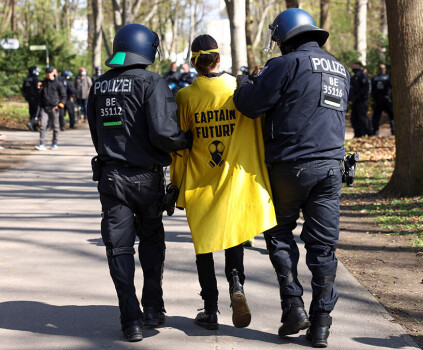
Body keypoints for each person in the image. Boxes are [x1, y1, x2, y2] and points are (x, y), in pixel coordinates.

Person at [233, 8, 349, 348]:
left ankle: (294, 305)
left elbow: (252, 106)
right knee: (323, 246)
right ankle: (321, 326)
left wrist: (244, 84)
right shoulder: (340, 69)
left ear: (284, 39)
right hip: (331, 168)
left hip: (290, 166)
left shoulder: (284, 65)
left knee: (280, 234)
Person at [87, 23, 191, 343]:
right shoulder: (151, 81)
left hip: (110, 177)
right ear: (147, 49)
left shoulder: (99, 85)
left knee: (118, 248)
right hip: (146, 179)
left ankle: (129, 319)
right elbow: (163, 132)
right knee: (151, 242)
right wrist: (185, 141)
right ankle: (153, 308)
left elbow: (95, 131)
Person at [170, 34, 276, 331]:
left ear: (195, 63)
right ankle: (237, 285)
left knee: (204, 247)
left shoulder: (186, 97)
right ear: (219, 59)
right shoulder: (239, 89)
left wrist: (175, 187)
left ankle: (210, 309)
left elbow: (179, 147)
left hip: (201, 182)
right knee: (234, 238)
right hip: (237, 181)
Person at [35, 67, 67, 151]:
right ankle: (42, 144)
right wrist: (38, 89)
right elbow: (38, 95)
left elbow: (64, 96)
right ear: (45, 74)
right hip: (44, 108)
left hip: (54, 108)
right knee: (42, 126)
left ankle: (54, 143)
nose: (48, 74)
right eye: (47, 73)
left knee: (55, 126)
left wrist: (60, 106)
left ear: (53, 73)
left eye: (50, 72)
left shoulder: (58, 83)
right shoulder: (43, 83)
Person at [349, 62, 373, 138]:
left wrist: (356, 97)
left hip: (361, 101)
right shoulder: (353, 78)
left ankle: (369, 133)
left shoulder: (363, 77)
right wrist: (350, 99)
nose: (353, 68)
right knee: (354, 119)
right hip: (354, 102)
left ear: (359, 66)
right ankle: (358, 134)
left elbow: (365, 89)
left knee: (363, 118)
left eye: (354, 66)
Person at [371, 64, 394, 136]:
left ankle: (376, 132)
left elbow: (372, 90)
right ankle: (393, 131)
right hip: (387, 99)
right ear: (385, 70)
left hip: (378, 100)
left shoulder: (374, 78)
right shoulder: (389, 77)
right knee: (392, 116)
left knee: (376, 117)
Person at [22, 66, 41, 132]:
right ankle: (31, 123)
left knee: (32, 111)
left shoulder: (27, 79)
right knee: (37, 112)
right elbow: (38, 88)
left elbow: (23, 89)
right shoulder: (35, 79)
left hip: (29, 98)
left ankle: (33, 127)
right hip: (35, 97)